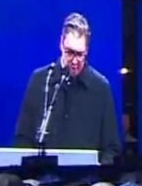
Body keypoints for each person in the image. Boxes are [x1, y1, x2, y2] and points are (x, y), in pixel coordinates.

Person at [14, 13, 121, 164]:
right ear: (61, 44)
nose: (75, 61)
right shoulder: (40, 80)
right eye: (69, 52)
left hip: (87, 177)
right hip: (43, 175)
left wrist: (99, 170)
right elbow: (23, 138)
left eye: (80, 54)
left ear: (87, 50)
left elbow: (111, 148)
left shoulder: (101, 87)